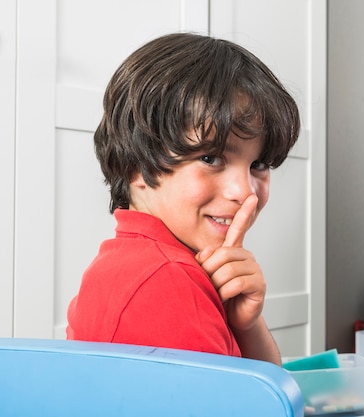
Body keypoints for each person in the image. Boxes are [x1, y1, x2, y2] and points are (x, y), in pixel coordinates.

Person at [66, 32, 300, 366]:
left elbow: (265, 395)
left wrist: (246, 324)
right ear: (137, 163)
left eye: (258, 164)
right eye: (210, 158)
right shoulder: (166, 280)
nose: (245, 192)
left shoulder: (132, 260)